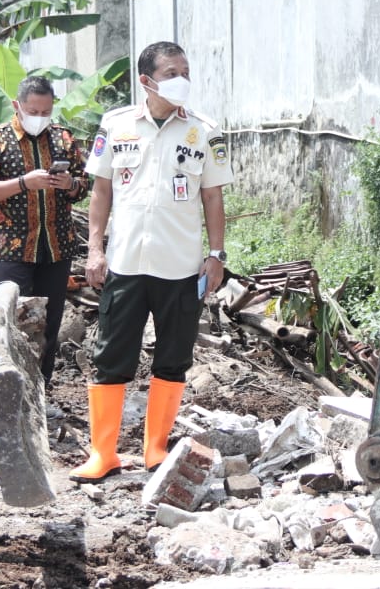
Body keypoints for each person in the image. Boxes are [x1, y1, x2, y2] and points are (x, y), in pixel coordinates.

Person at [71, 41, 232, 482]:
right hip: (125, 261)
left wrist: (215, 255)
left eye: (186, 69)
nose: (182, 78)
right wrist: (95, 249)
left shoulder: (203, 131)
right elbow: (100, 192)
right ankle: (103, 454)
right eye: (172, 71)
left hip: (180, 266)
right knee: (111, 357)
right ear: (146, 81)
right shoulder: (117, 125)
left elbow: (213, 197)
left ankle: (155, 450)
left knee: (173, 358)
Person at [0, 75, 88, 387]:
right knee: (16, 320)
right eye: (33, 111)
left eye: (45, 112)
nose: (40, 118)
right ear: (17, 106)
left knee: (50, 325)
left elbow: (83, 188)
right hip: (12, 247)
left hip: (57, 247)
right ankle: (12, 386)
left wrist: (70, 184)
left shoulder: (64, 139)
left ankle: (43, 387)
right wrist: (23, 182)